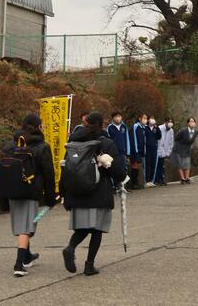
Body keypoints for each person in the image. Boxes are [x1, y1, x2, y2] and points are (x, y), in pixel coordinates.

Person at [61, 112, 126, 276]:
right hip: (99, 192)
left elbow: (66, 168)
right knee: (97, 230)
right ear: (101, 124)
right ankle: (89, 265)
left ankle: (70, 247)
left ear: (85, 123)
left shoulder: (73, 142)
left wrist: (64, 193)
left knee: (82, 228)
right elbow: (117, 171)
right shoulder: (105, 143)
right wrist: (122, 179)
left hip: (76, 192)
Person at [4, 114, 57, 277]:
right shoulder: (42, 146)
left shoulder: (10, 145)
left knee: (23, 225)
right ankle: (19, 264)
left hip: (13, 190)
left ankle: (27, 256)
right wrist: (51, 197)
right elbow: (48, 173)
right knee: (26, 228)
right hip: (31, 191)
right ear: (38, 126)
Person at [171, 117, 198, 184]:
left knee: (187, 164)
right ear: (187, 123)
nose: (192, 123)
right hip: (179, 148)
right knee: (180, 164)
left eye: (193, 121)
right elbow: (176, 137)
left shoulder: (196, 132)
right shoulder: (183, 130)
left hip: (187, 149)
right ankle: (182, 178)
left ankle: (187, 178)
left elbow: (191, 141)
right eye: (190, 121)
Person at [129, 114, 148, 189]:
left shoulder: (143, 128)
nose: (145, 120)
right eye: (144, 118)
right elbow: (133, 138)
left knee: (139, 166)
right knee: (135, 165)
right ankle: (133, 183)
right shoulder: (135, 126)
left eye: (146, 118)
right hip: (135, 150)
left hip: (141, 150)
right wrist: (135, 150)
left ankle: (139, 182)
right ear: (140, 118)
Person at [156, 118, 174, 186]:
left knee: (162, 166)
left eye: (171, 122)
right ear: (165, 122)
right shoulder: (160, 128)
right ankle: (157, 179)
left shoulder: (171, 131)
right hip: (158, 149)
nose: (170, 123)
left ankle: (161, 179)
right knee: (157, 166)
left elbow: (171, 142)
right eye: (169, 121)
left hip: (165, 151)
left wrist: (168, 152)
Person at [145, 116, 162, 188]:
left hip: (154, 149)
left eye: (153, 119)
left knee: (153, 164)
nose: (152, 120)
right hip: (147, 149)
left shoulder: (156, 128)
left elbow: (159, 137)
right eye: (151, 118)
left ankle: (151, 180)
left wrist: (157, 128)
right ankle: (147, 180)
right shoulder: (145, 128)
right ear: (148, 120)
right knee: (147, 165)